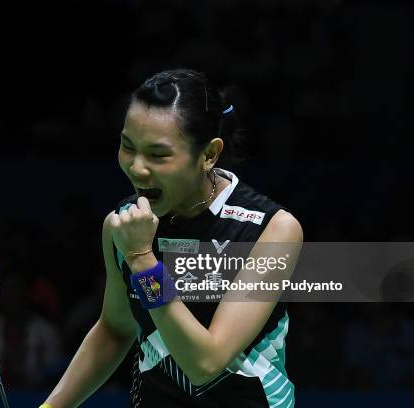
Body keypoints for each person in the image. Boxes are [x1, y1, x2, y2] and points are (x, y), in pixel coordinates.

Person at [41, 69, 303, 407]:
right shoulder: (122, 225)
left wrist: (141, 260)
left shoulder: (271, 230)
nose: (136, 168)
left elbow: (205, 363)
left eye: (158, 155)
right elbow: (115, 329)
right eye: (127, 146)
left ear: (209, 154)